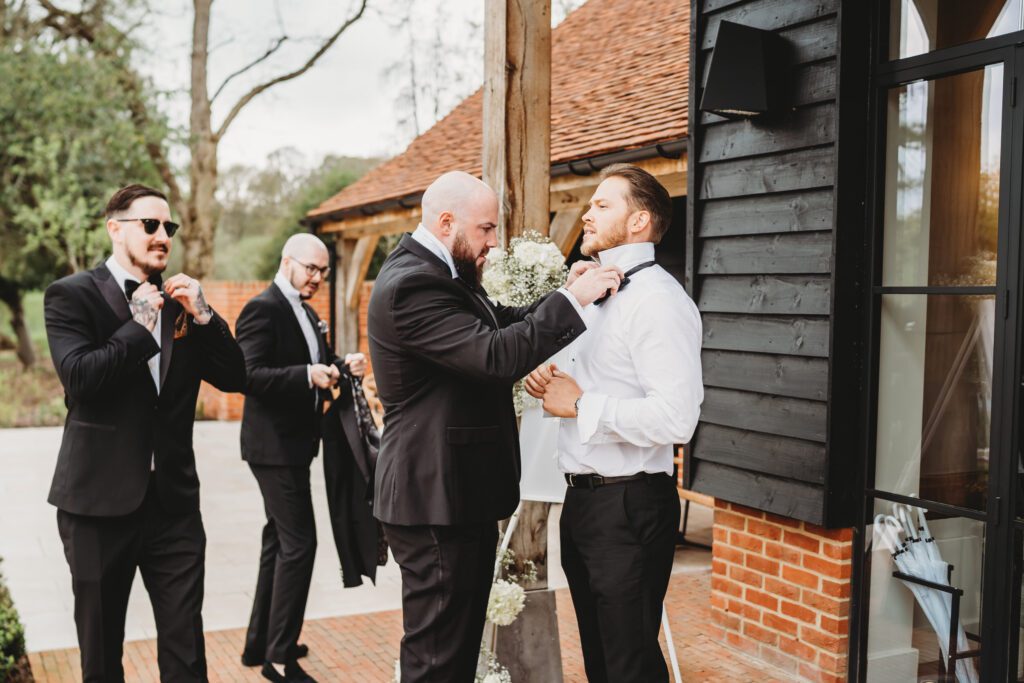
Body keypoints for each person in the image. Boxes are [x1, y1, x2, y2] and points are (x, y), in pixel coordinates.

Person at [367, 171, 622, 682]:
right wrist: (573, 303)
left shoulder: (442, 274)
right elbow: (492, 356)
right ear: (445, 222)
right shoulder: (411, 285)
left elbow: (500, 322)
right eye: (484, 229)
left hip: (455, 495)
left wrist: (562, 293)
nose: (492, 242)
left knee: (453, 653)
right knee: (437, 659)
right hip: (434, 498)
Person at [43, 184, 246, 682]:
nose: (162, 236)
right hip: (96, 506)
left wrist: (205, 315)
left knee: (186, 654)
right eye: (149, 225)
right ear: (116, 228)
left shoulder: (183, 305)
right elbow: (80, 380)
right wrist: (138, 326)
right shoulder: (71, 296)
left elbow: (237, 378)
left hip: (173, 507)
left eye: (168, 228)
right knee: (102, 653)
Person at [526, 163, 704, 683]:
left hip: (629, 505)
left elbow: (678, 418)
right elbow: (591, 380)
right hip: (582, 502)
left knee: (630, 666)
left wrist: (580, 405)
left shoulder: (658, 301)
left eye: (604, 205)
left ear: (639, 221)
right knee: (604, 663)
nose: (588, 211)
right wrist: (550, 379)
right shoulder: (594, 291)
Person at [234, 234, 368, 683]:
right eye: (310, 269)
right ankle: (279, 658)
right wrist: (305, 376)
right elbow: (246, 375)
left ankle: (260, 644)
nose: (317, 278)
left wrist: (339, 364)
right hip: (271, 447)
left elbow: (317, 360)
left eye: (323, 272)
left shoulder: (308, 312)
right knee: (300, 544)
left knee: (278, 541)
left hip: (296, 445)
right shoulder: (262, 308)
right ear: (286, 261)